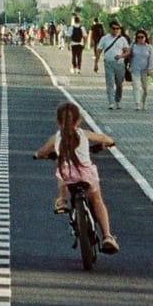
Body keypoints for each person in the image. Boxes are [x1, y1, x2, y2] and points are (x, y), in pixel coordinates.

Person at [35, 101, 119, 253]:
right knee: (97, 200)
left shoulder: (56, 137)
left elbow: (42, 152)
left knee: (61, 170)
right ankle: (107, 236)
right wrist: (111, 142)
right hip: (87, 175)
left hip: (67, 177)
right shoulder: (84, 134)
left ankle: (61, 200)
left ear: (57, 121)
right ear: (78, 120)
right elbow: (104, 138)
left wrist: (37, 155)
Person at [97, 18, 130, 110]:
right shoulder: (104, 39)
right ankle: (111, 102)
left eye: (118, 28)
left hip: (119, 64)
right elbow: (99, 50)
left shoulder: (122, 39)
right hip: (108, 63)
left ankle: (117, 100)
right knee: (110, 83)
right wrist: (96, 63)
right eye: (114, 28)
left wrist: (121, 56)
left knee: (119, 84)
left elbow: (127, 51)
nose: (116, 30)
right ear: (110, 29)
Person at [129, 28, 153, 109]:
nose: (140, 39)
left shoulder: (149, 47)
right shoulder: (133, 46)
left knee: (145, 89)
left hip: (145, 70)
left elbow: (151, 59)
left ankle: (144, 102)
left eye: (142, 37)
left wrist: (150, 69)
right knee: (136, 86)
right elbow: (128, 55)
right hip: (135, 69)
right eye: (138, 37)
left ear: (145, 37)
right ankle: (137, 103)